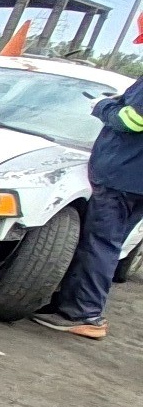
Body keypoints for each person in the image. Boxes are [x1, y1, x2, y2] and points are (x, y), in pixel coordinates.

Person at [32, 76, 143, 339]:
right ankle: (72, 306)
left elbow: (134, 120)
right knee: (109, 245)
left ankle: (83, 314)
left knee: (99, 244)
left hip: (122, 178)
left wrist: (102, 106)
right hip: (134, 181)